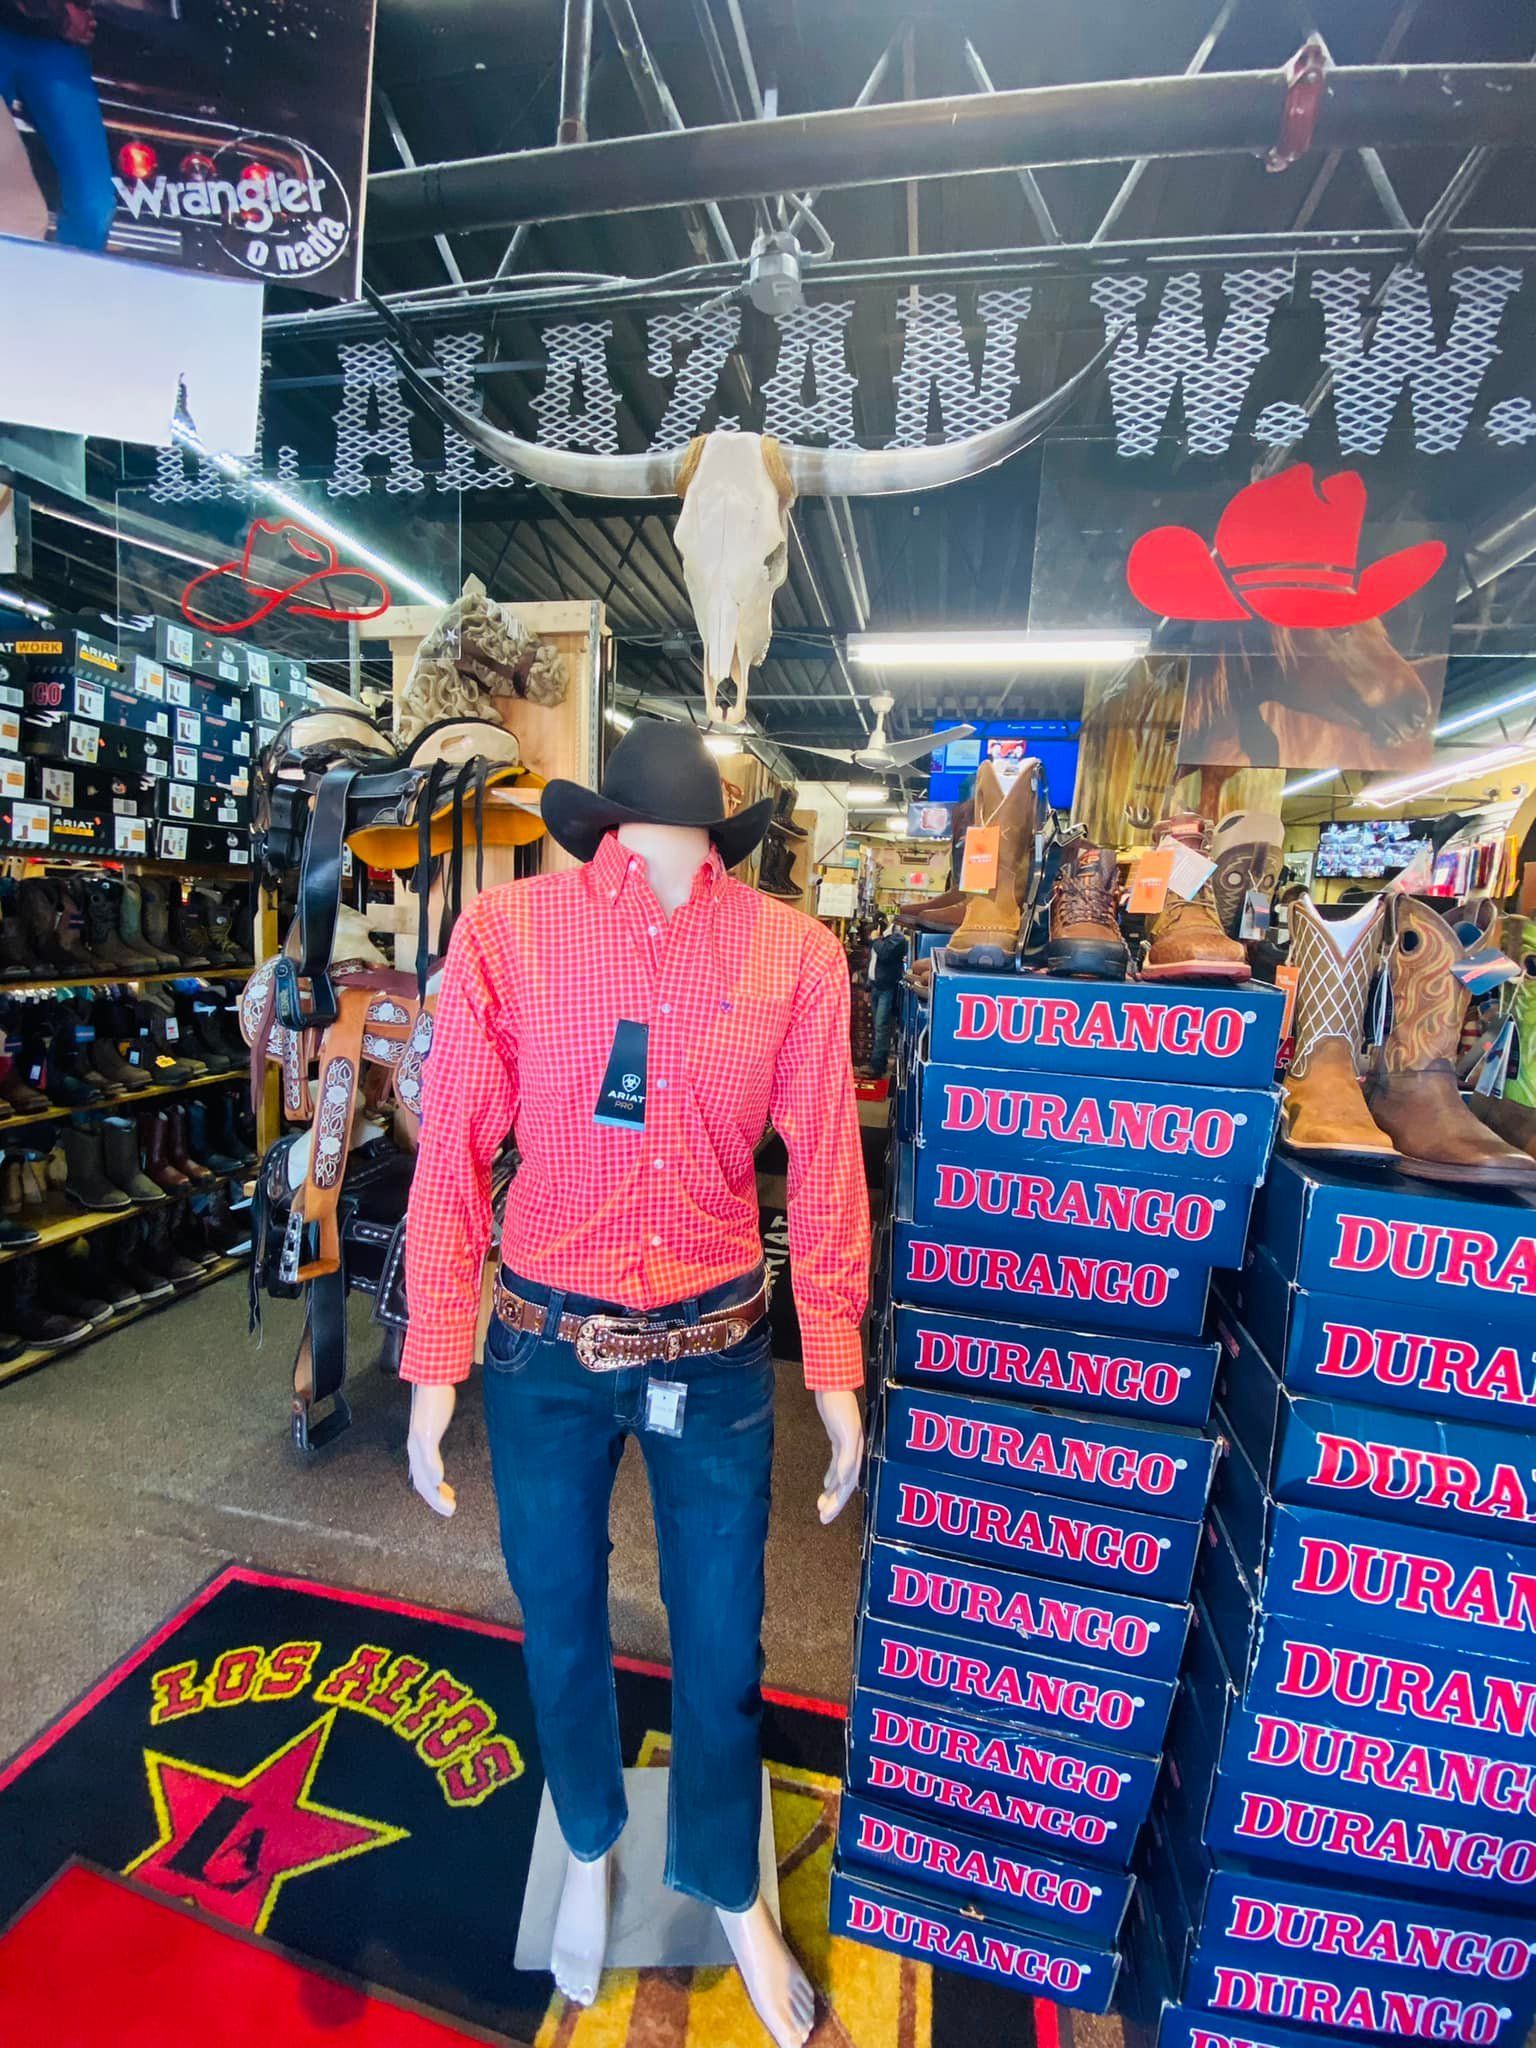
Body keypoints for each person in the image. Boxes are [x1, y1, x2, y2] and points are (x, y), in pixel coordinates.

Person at [401, 720, 869, 2048]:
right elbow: (453, 1147)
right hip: (545, 1346)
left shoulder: (795, 955)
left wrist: (834, 1363)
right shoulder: (507, 935)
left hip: (713, 1350)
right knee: (558, 1618)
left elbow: (826, 1162)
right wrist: (435, 1356)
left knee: (722, 1636)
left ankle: (730, 1884)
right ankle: (590, 1843)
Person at [0, 0, 116, 252]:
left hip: (56, 48)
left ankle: (70, 275)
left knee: (94, 207)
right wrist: (59, 14)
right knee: (21, 214)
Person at [866, 914, 908, 1076]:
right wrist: (868, 987)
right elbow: (873, 963)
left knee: (882, 1027)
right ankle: (878, 1063)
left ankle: (877, 1066)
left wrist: (875, 940)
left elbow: (884, 953)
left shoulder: (897, 939)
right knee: (879, 1027)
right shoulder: (882, 938)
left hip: (887, 989)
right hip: (876, 987)